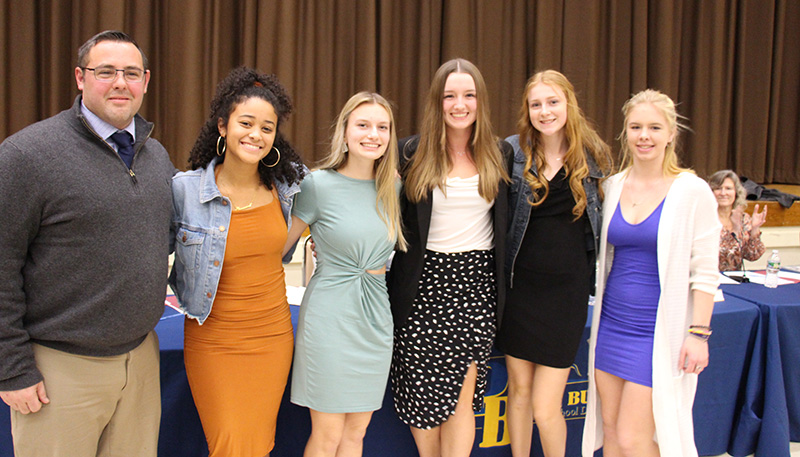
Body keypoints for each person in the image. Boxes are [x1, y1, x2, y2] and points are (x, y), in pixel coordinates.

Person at [0, 30, 174, 456]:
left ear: (146, 81)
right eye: (106, 71)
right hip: (59, 368)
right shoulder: (27, 156)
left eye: (131, 73)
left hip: (140, 361)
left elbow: (166, 240)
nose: (120, 83)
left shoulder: (157, 158)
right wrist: (12, 369)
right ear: (80, 78)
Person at [169, 67, 306, 457]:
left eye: (267, 127)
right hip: (213, 341)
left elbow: (346, 186)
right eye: (246, 123)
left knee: (258, 444)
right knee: (229, 442)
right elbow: (145, 252)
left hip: (272, 338)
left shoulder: (290, 186)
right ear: (223, 126)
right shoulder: (185, 190)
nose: (256, 135)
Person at [582, 89, 721, 456]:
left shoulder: (692, 191)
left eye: (655, 127)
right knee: (610, 434)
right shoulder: (612, 186)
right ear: (625, 133)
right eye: (636, 127)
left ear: (671, 134)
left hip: (658, 334)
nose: (645, 136)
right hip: (611, 326)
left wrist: (699, 334)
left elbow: (705, 269)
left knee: (634, 438)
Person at [388, 58, 511, 457]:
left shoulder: (499, 155)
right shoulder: (410, 152)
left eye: (469, 95)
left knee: (462, 399)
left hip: (475, 288)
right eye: (450, 96)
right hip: (421, 288)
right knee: (422, 404)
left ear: (481, 101)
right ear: (437, 102)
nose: (460, 104)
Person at [282, 92, 405, 457]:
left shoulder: (395, 189)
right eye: (363, 125)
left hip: (376, 320)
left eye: (382, 127)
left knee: (357, 434)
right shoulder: (318, 185)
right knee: (329, 434)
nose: (373, 134)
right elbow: (279, 247)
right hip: (330, 317)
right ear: (346, 131)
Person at [497, 70, 612, 457]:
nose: (544, 111)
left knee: (547, 407)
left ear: (568, 104)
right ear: (526, 110)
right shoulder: (512, 153)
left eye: (552, 102)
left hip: (565, 296)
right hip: (520, 291)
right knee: (519, 393)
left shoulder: (592, 156)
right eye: (536, 104)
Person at [708, 169, 767, 271]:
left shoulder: (743, 219)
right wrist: (734, 231)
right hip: (707, 279)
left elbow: (752, 256)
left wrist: (754, 230)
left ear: (736, 192)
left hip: (735, 281)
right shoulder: (704, 218)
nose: (723, 193)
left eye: (728, 188)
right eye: (718, 188)